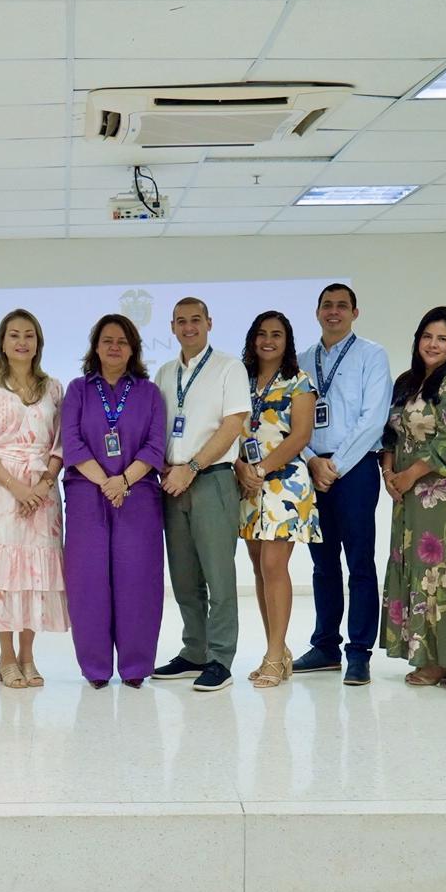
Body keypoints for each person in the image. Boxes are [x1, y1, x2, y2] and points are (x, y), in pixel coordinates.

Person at [290, 283, 392, 687]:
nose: (334, 312)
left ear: (355, 312)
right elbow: (292, 424)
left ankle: (359, 652)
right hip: (313, 469)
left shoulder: (371, 355)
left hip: (356, 470)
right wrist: (312, 461)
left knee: (360, 563)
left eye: (342, 306)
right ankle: (326, 646)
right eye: (327, 306)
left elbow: (373, 418)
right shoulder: (301, 362)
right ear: (317, 312)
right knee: (322, 563)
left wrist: (335, 464)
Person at [151, 297, 251, 692]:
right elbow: (158, 428)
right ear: (172, 327)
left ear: (209, 322)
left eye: (196, 320)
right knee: (184, 577)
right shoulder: (164, 372)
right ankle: (194, 651)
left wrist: (191, 468)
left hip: (210, 478)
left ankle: (220, 659)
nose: (189, 327)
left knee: (219, 576)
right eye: (181, 321)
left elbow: (232, 426)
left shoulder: (230, 367)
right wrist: (165, 469)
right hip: (171, 483)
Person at [61, 314, 166, 688]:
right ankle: (95, 668)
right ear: (96, 347)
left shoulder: (149, 393)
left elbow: (155, 447)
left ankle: (136, 668)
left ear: (133, 348)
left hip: (137, 495)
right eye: (107, 340)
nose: (114, 347)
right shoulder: (78, 390)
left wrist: (122, 480)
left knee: (138, 580)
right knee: (88, 581)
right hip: (87, 493)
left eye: (122, 341)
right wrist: (106, 482)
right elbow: (71, 443)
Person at [0, 308, 67, 689]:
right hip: (0, 492)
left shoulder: (53, 387)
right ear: (3, 343)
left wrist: (42, 484)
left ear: (38, 342)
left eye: (29, 335)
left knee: (34, 576)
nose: (22, 341)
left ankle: (28, 655)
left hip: (42, 491)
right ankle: (6, 658)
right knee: (4, 577)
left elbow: (61, 443)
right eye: (14, 335)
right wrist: (18, 487)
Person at [380, 307, 446, 687]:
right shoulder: (408, 381)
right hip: (405, 493)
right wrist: (390, 473)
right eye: (427, 336)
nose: (433, 344)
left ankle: (442, 658)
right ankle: (424, 653)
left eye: (442, 339)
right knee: (412, 568)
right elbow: (388, 433)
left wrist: (409, 475)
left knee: (438, 571)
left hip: (439, 493)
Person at [233, 311, 320, 689]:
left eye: (277, 335)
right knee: (258, 566)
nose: (269, 340)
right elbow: (229, 430)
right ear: (253, 339)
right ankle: (278, 650)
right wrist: (241, 468)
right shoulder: (240, 380)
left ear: (287, 342)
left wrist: (262, 469)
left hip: (285, 484)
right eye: (262, 334)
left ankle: (272, 655)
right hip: (248, 485)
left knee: (273, 564)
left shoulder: (299, 382)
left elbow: (300, 436)